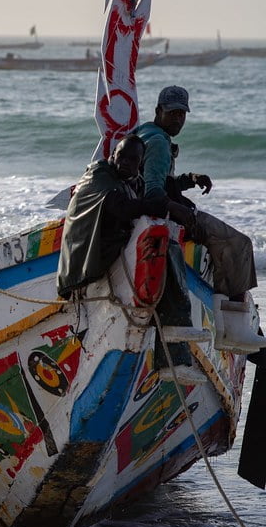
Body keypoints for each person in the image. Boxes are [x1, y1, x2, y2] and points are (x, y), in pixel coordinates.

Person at [57, 136, 207, 385]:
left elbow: (156, 190)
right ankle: (176, 331)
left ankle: (174, 343)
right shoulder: (100, 175)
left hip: (107, 253)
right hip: (84, 264)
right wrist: (168, 208)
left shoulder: (129, 180)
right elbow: (123, 208)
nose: (125, 162)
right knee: (164, 246)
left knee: (166, 243)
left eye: (133, 159)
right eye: (121, 156)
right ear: (113, 154)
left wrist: (188, 183)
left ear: (140, 163)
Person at [136, 85, 265, 352]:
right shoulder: (159, 142)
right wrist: (180, 210)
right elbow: (153, 193)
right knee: (238, 244)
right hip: (164, 215)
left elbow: (160, 181)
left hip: (155, 211)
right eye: (172, 113)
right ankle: (232, 330)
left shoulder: (146, 133)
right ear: (159, 111)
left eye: (182, 114)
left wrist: (189, 180)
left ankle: (226, 319)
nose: (178, 119)